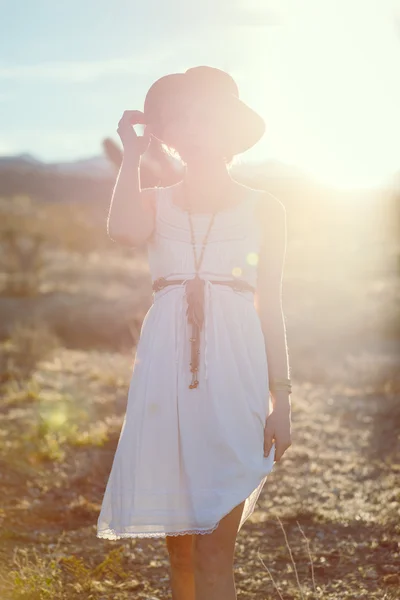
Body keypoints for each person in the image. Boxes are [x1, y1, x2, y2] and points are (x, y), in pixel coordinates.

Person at [97, 66, 292, 600]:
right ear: (171, 134)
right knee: (179, 554)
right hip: (166, 379)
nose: (195, 127)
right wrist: (133, 152)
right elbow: (121, 230)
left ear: (230, 129)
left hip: (236, 376)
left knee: (214, 552)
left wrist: (283, 401)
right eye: (182, 117)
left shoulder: (264, 208)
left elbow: (269, 304)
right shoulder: (155, 202)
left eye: (207, 116)